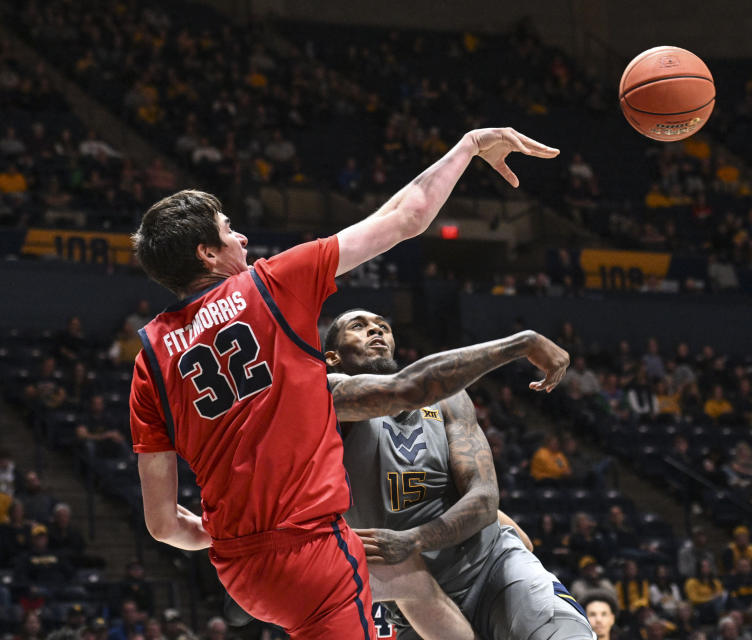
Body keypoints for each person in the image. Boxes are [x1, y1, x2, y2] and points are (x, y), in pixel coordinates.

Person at [129, 129, 559, 639]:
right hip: (311, 552)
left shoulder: (149, 360)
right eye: (228, 230)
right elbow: (407, 217)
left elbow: (162, 524)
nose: (241, 238)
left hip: (240, 571)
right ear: (206, 253)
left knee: (415, 586)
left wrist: (231, 537)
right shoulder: (269, 285)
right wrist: (466, 147)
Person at [322, 309, 592, 639]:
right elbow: (403, 388)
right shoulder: (327, 398)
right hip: (413, 602)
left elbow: (484, 498)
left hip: (492, 565)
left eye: (383, 327)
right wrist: (521, 344)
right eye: (359, 326)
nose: (375, 331)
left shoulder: (448, 399)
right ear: (332, 356)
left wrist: (415, 539)